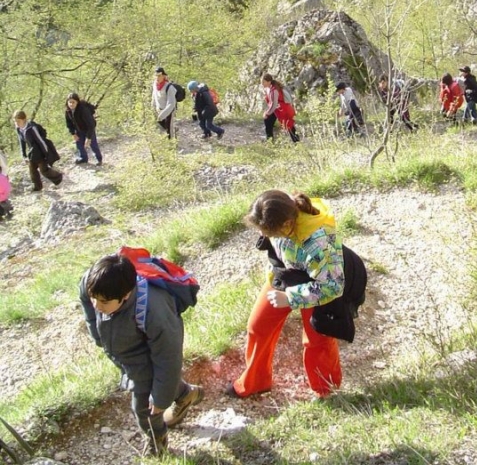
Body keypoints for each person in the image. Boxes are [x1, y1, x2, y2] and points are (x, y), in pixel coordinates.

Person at [226, 190, 349, 399]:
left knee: (317, 338)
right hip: (287, 274)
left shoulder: (319, 242)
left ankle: (326, 391)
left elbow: (333, 286)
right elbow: (277, 248)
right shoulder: (279, 211)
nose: (265, 236)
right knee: (258, 326)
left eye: (269, 233)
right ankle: (256, 382)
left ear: (286, 225)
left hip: (318, 282)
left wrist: (290, 298)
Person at [79, 254, 203, 457]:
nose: (96, 305)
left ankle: (157, 443)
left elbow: (168, 360)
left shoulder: (154, 310)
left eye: (104, 302)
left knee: (145, 408)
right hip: (126, 351)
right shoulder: (96, 282)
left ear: (126, 295)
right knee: (154, 386)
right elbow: (85, 296)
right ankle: (185, 394)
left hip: (148, 352)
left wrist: (161, 400)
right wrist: (97, 333)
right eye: (94, 298)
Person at [13, 110, 63, 192]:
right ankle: (37, 186)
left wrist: (47, 154)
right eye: (15, 121)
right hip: (32, 152)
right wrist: (24, 155)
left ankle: (58, 177)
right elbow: (21, 142)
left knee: (44, 170)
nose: (17, 123)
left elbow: (41, 141)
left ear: (24, 119)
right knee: (32, 169)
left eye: (18, 121)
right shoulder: (19, 129)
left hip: (40, 151)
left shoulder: (32, 128)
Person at [65, 93, 102, 165]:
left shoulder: (83, 110)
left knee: (93, 145)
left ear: (77, 102)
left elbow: (91, 125)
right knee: (79, 145)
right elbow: (69, 124)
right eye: (70, 102)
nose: (71, 104)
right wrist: (73, 133)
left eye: (73, 102)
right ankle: (83, 158)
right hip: (79, 130)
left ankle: (99, 159)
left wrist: (88, 138)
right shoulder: (68, 111)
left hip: (89, 129)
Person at [261, 74, 300, 143]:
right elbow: (271, 103)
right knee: (268, 121)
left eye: (263, 82)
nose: (262, 83)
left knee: (289, 125)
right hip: (277, 110)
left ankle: (297, 142)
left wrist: (267, 113)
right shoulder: (268, 89)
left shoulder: (274, 90)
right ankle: (270, 140)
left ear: (269, 81)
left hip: (283, 110)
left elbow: (274, 103)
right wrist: (267, 113)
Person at [152, 67, 177, 139]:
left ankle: (172, 145)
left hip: (168, 112)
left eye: (159, 75)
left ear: (163, 76)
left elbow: (171, 104)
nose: (157, 77)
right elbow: (154, 97)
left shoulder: (169, 87)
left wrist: (162, 115)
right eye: (156, 75)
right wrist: (153, 108)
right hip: (158, 110)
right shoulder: (154, 85)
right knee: (162, 129)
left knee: (169, 130)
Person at [0, 149, 13, 219]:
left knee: (3, 198)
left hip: (2, 176)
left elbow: (4, 166)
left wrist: (4, 176)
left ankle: (6, 211)